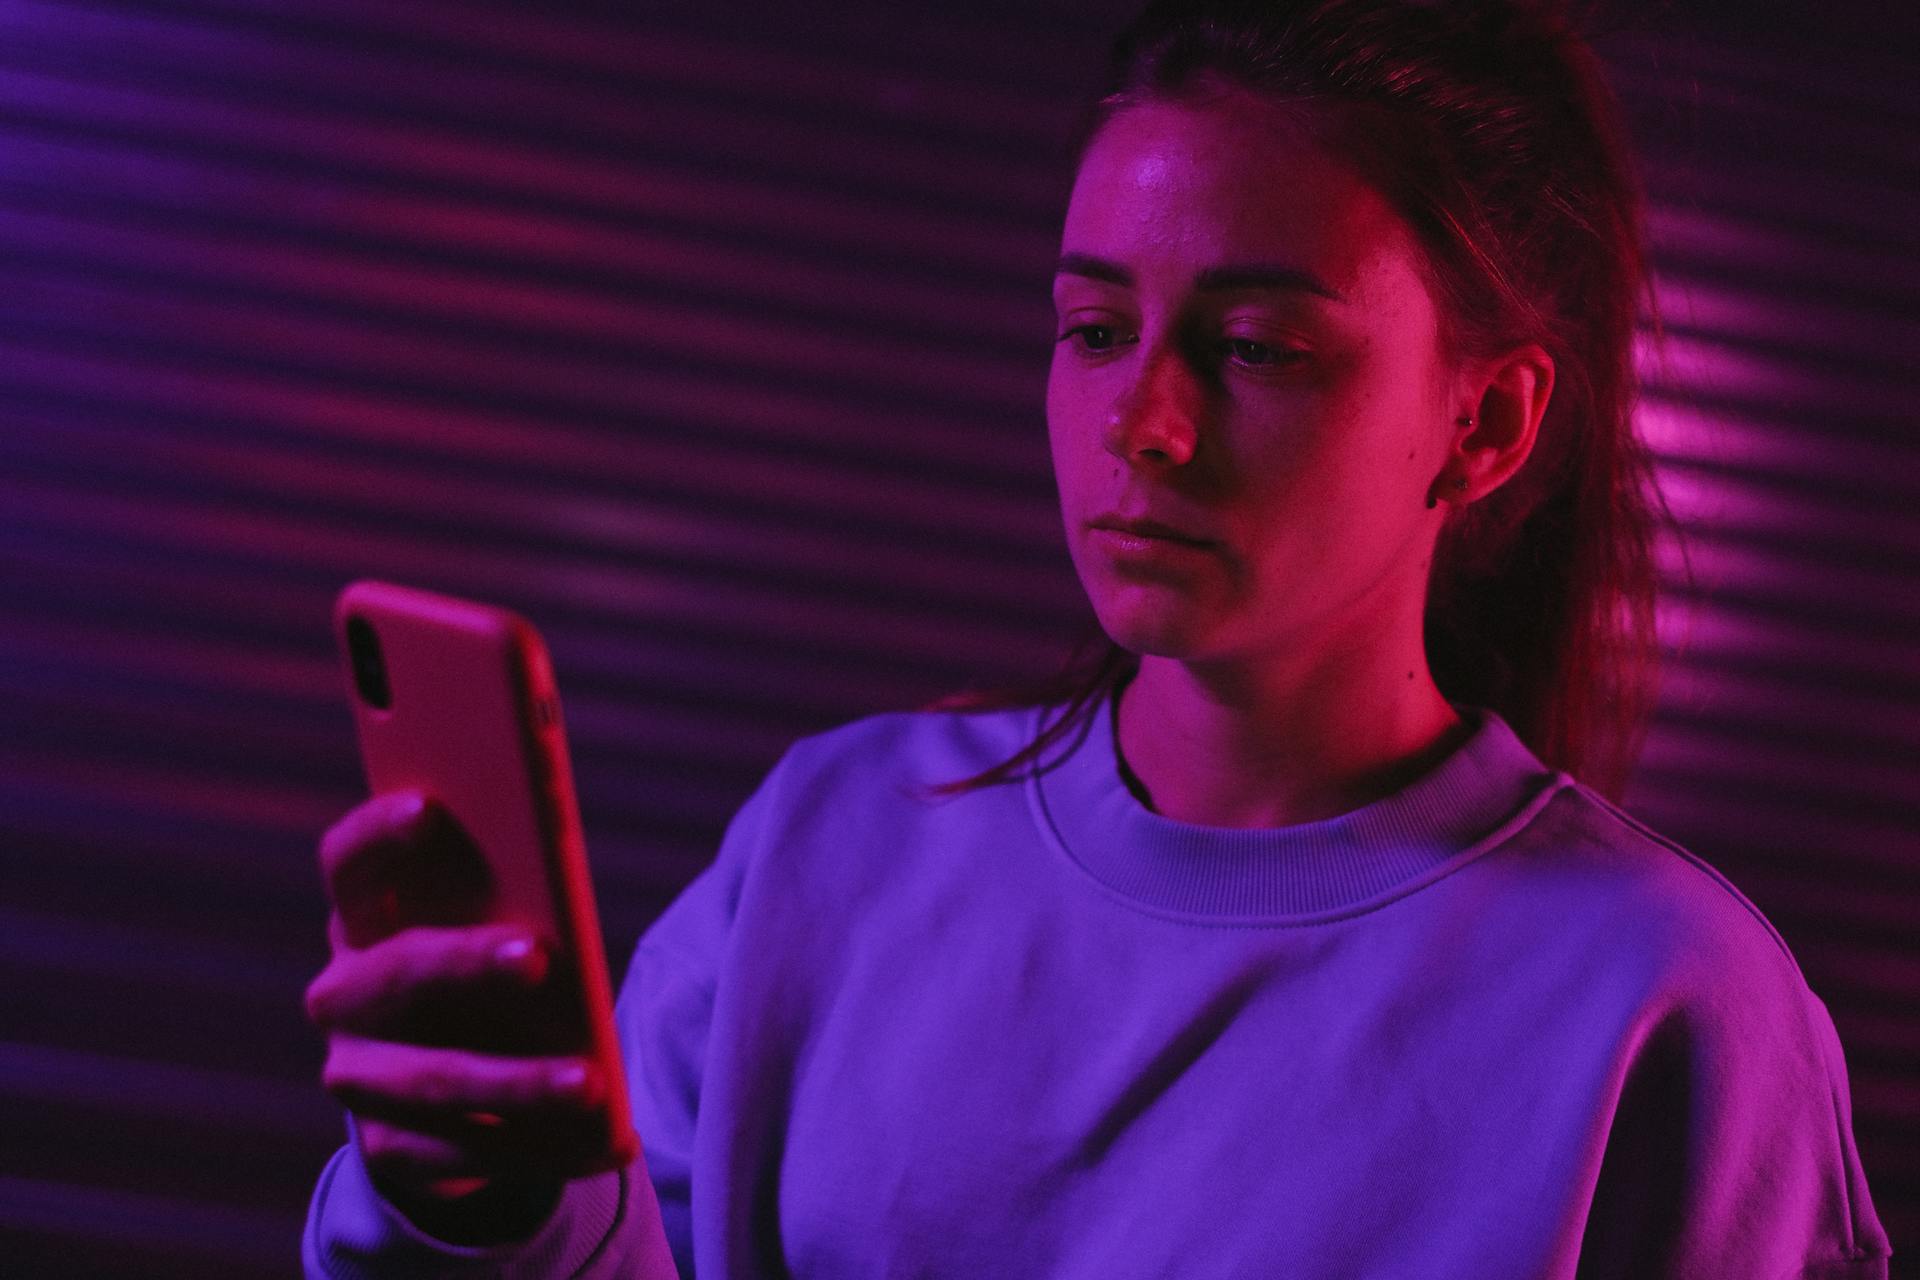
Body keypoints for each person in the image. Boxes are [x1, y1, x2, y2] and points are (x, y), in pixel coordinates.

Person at [301, 1, 1894, 1276]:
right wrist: (479, 1200)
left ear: (1483, 423)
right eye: (1092, 329)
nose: (1143, 424)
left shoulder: (1664, 1003)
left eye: (1258, 345)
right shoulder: (834, 844)